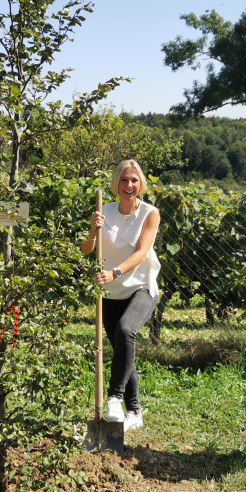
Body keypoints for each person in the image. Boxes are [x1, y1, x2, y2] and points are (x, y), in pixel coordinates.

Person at [81, 159, 161, 432]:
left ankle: (114, 398)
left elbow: (141, 252)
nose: (129, 185)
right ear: (117, 183)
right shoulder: (104, 211)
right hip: (110, 291)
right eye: (124, 180)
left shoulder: (150, 213)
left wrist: (115, 271)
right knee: (121, 350)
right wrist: (93, 230)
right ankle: (135, 412)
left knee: (127, 331)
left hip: (140, 284)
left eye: (134, 180)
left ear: (141, 184)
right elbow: (86, 250)